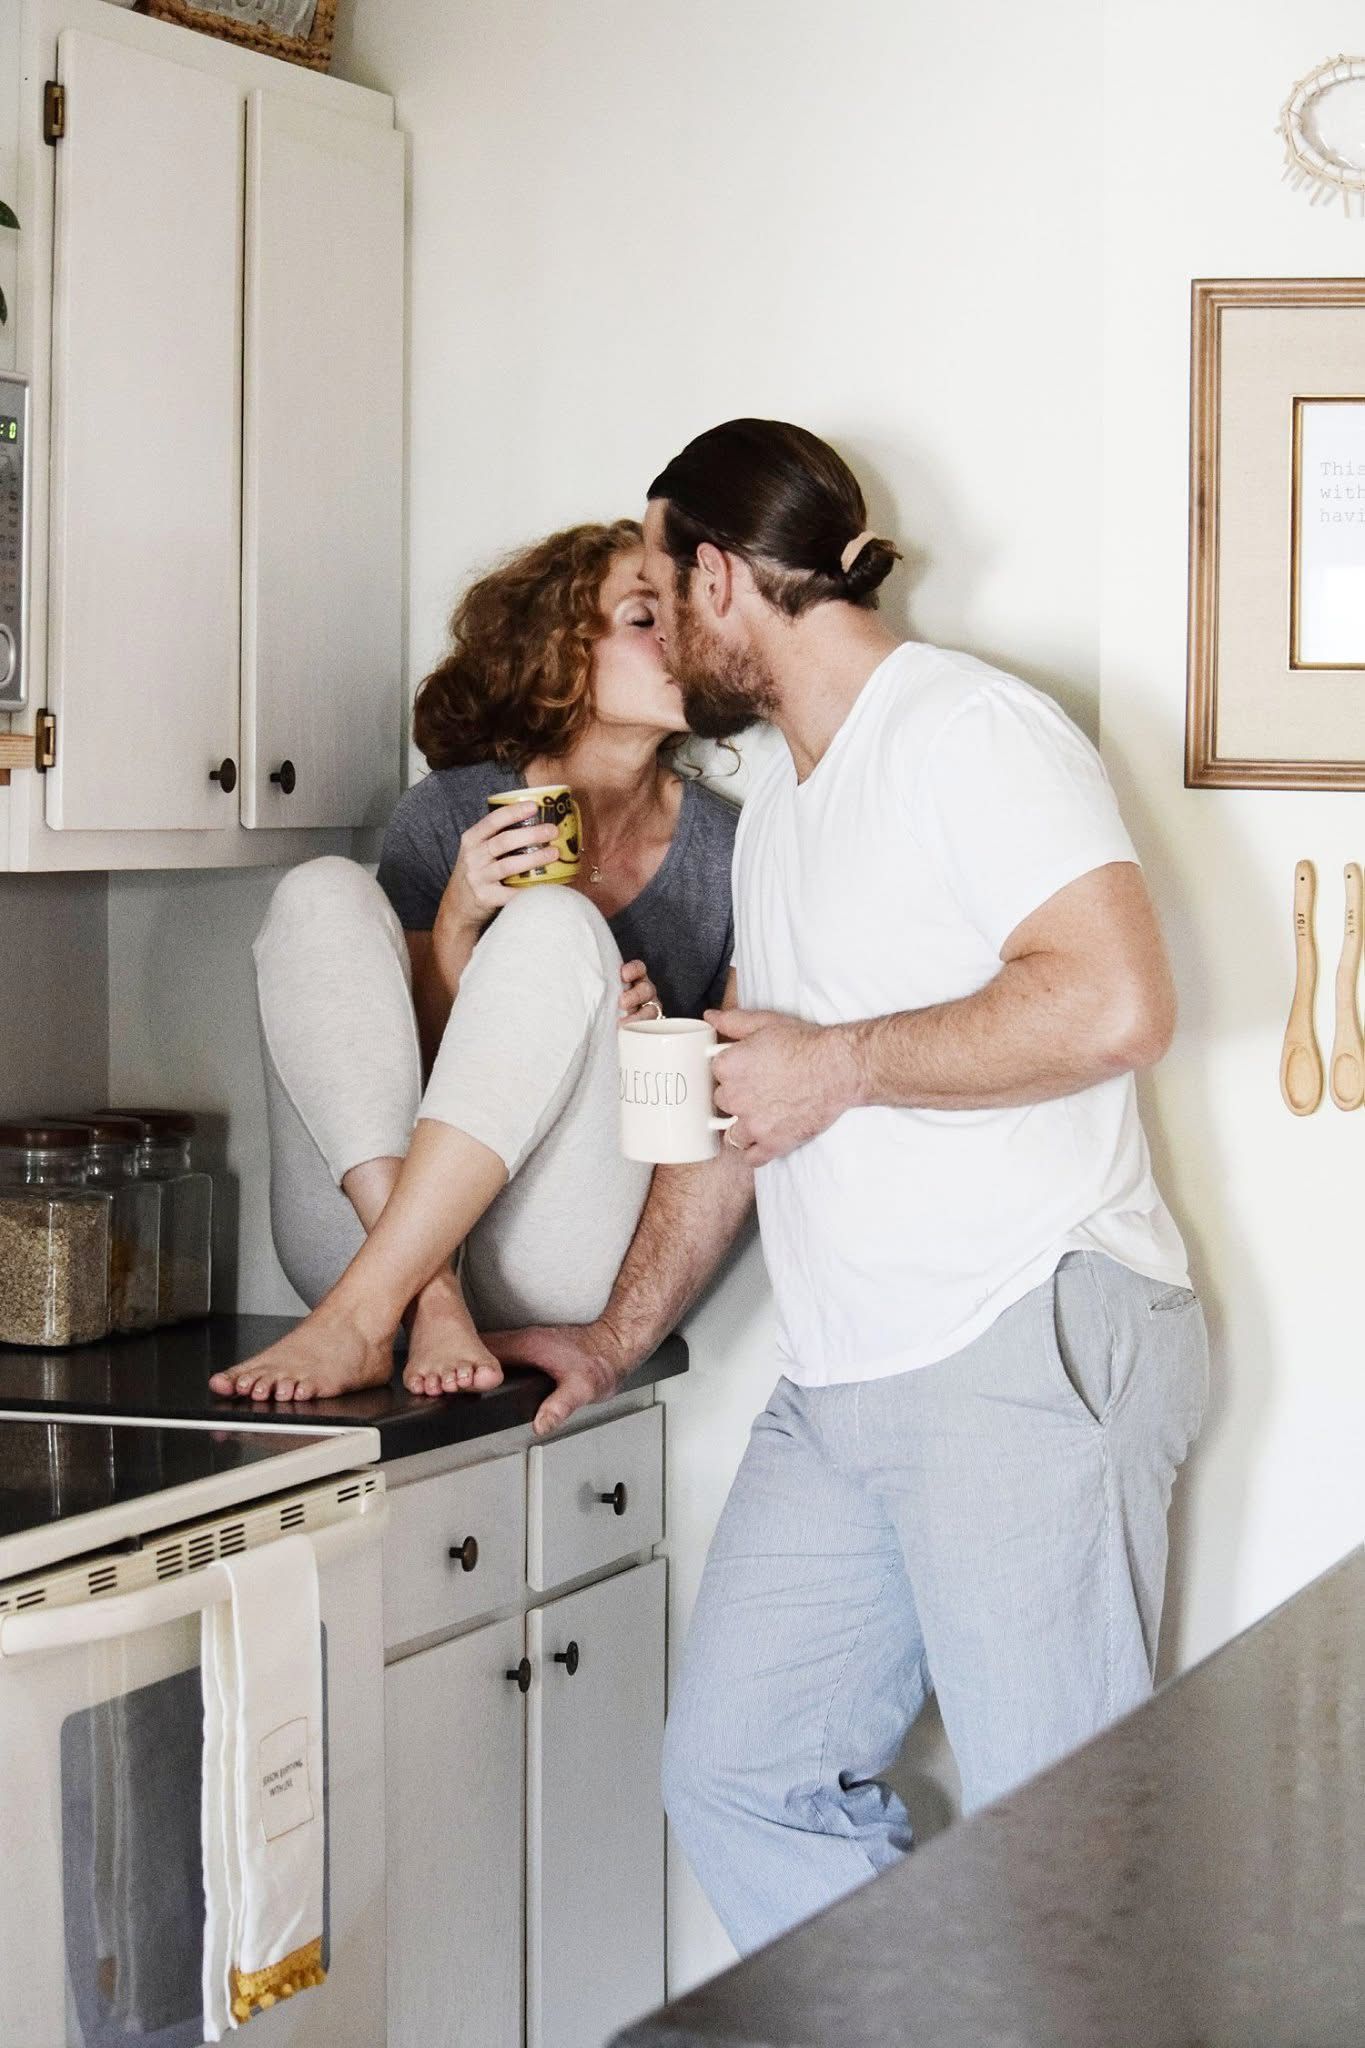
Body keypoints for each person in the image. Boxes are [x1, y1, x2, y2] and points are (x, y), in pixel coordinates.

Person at [484, 421, 1210, 1955]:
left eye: (658, 591)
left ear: (721, 579)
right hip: (846, 1380)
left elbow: (1113, 1002)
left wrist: (845, 1065)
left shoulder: (967, 730)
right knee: (740, 1780)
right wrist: (613, 1340)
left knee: (1059, 1853)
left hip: (1020, 1337)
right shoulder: (785, 810)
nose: (653, 630)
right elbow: (764, 1103)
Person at [210, 519, 737, 1404]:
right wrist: (457, 918)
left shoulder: (726, 851)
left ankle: (378, 1310)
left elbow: (717, 1127)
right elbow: (395, 1071)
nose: (679, 640)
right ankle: (423, 1297)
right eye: (645, 618)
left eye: (684, 617)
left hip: (555, 1256)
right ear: (561, 652)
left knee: (557, 922)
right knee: (319, 891)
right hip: (366, 1233)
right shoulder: (447, 813)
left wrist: (640, 1052)